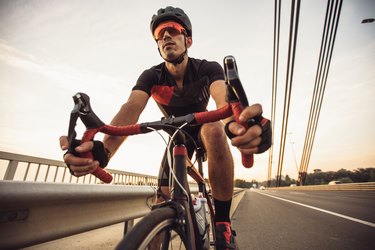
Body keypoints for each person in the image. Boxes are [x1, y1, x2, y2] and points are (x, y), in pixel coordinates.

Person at [60, 6, 271, 249]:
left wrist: (239, 124)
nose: (166, 36)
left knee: (213, 128)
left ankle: (223, 224)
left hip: (202, 129)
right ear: (158, 44)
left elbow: (223, 98)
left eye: (172, 30)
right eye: (160, 34)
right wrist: (103, 153)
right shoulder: (151, 76)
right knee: (162, 199)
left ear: (187, 40)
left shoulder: (207, 68)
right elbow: (132, 107)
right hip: (176, 137)